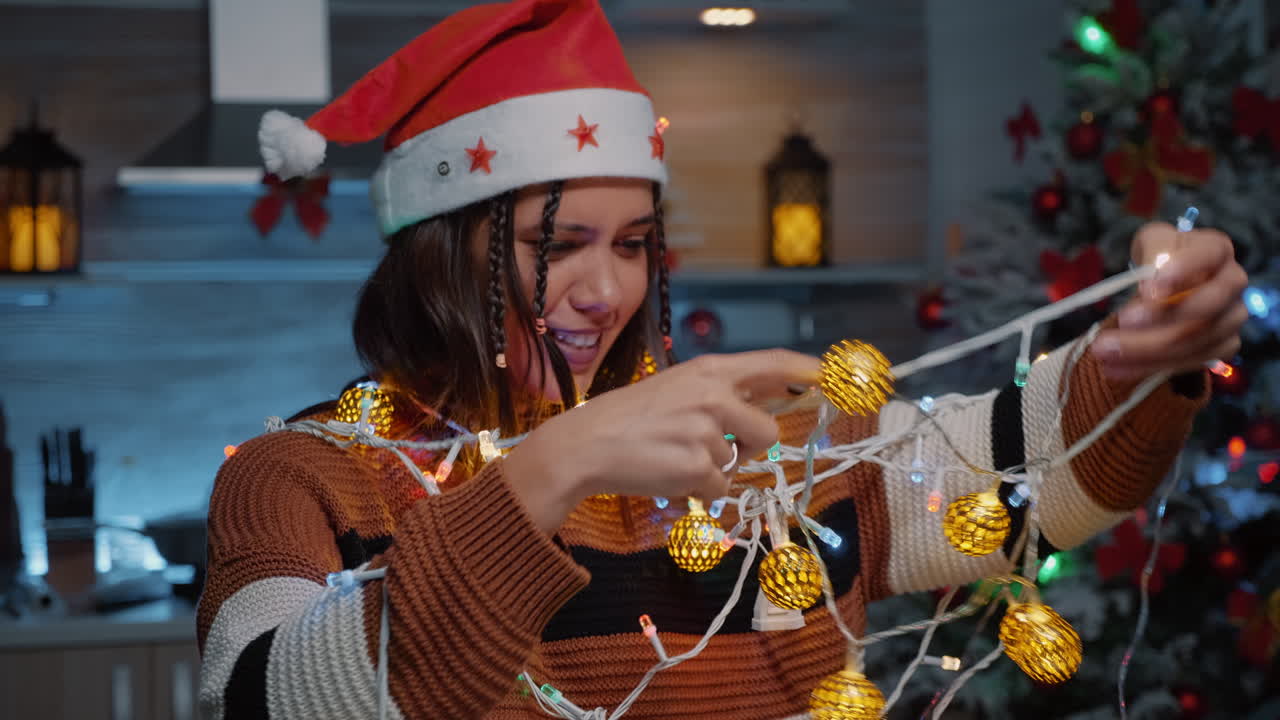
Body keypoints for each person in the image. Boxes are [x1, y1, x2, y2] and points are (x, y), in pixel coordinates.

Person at [195, 1, 1249, 718]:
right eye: (554, 246)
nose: (605, 292)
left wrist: (1139, 359)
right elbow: (268, 699)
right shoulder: (297, 478)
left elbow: (1035, 484)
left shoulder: (759, 454)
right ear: (438, 256)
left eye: (632, 246)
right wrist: (550, 468)